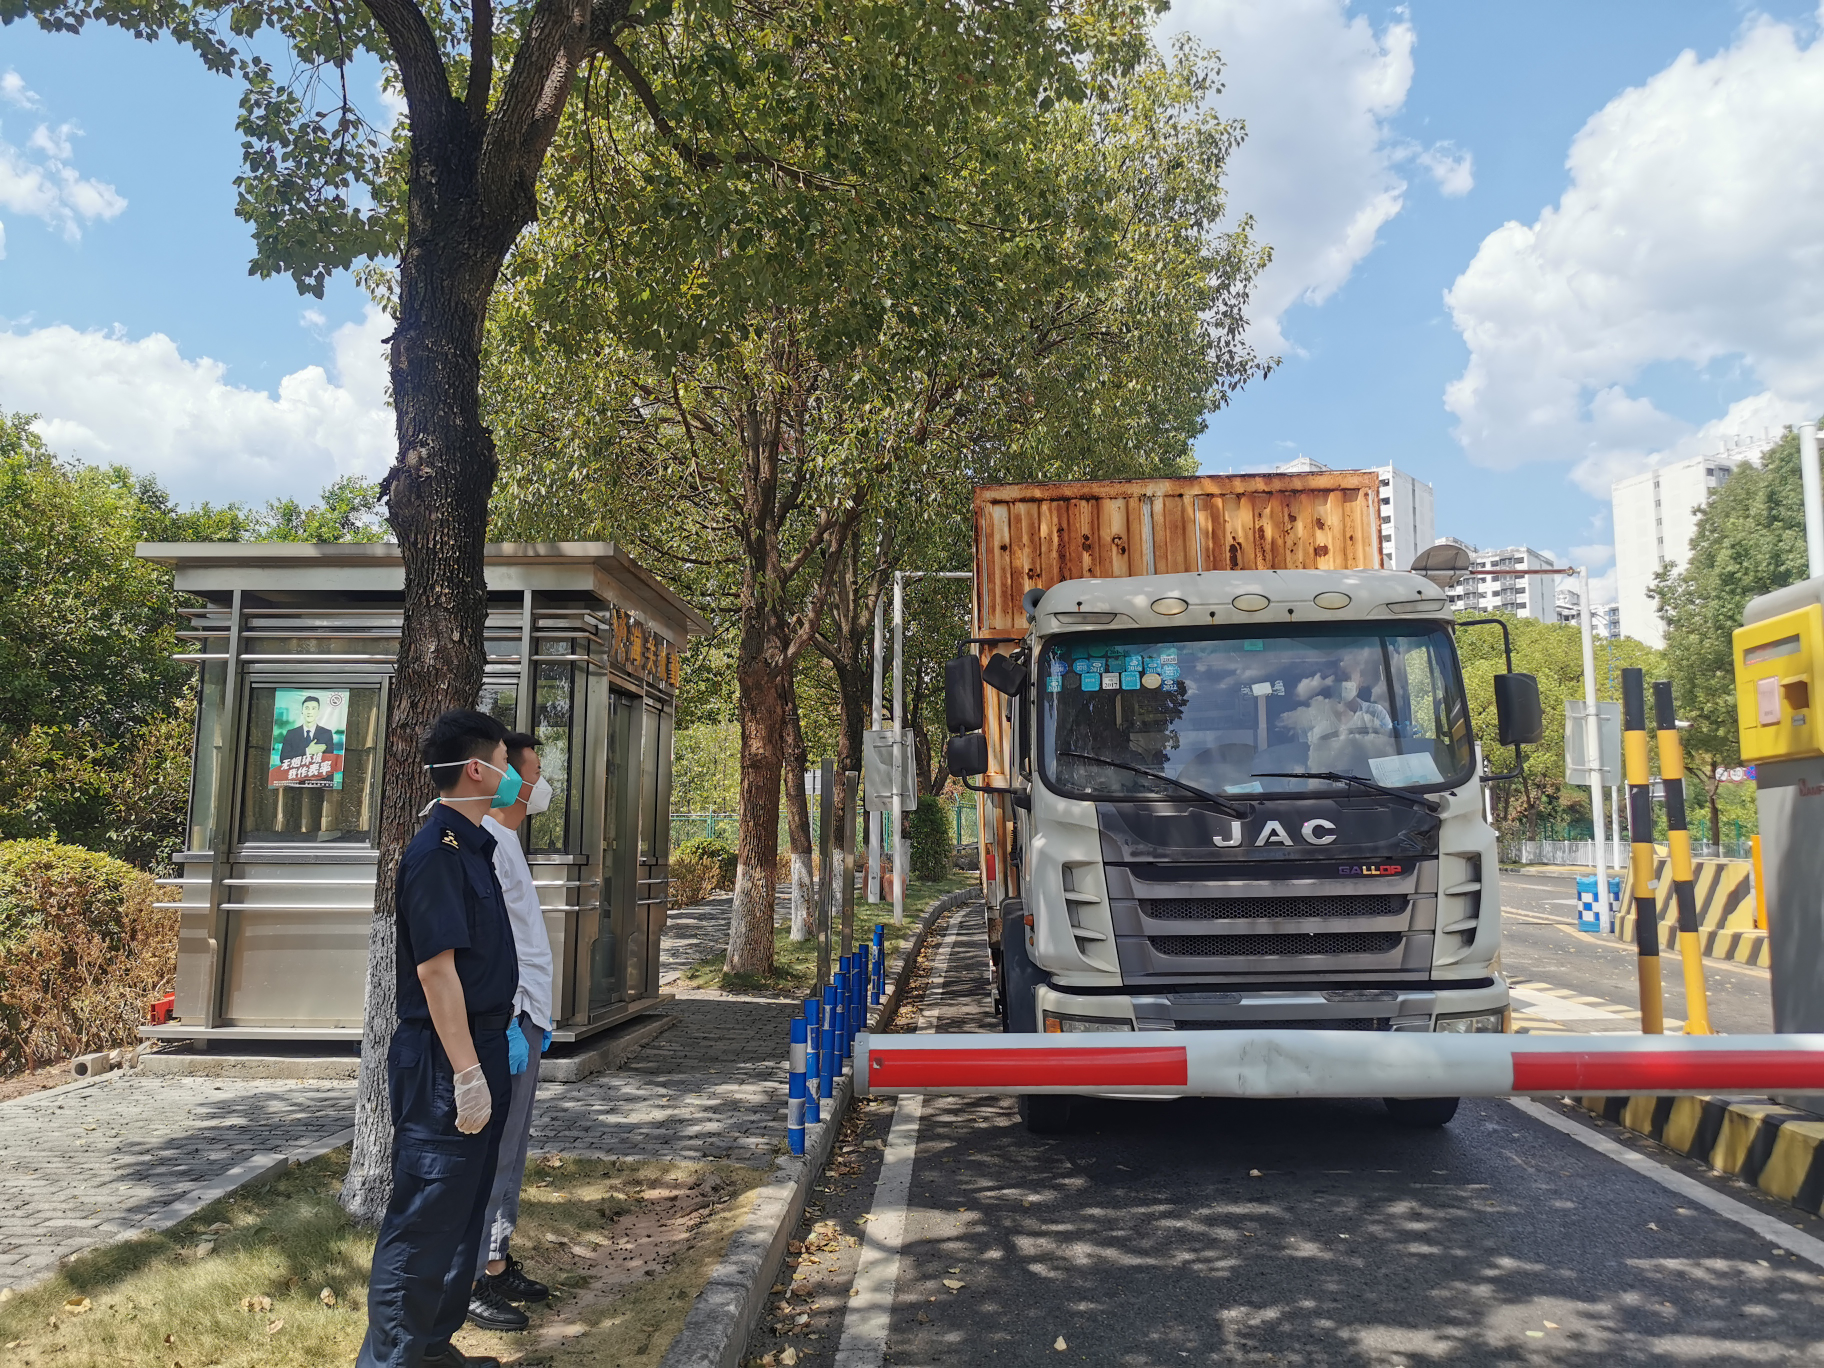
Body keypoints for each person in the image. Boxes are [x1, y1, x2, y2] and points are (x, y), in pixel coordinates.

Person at [356, 709, 521, 1368]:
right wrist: (467, 1071)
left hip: (481, 1044)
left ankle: (429, 1349)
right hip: (444, 1060)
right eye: (505, 763)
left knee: (462, 1211)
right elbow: (435, 971)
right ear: (476, 770)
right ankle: (391, 1360)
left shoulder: (474, 846)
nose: (513, 776)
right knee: (426, 1216)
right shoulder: (436, 852)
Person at [466, 733, 555, 1332]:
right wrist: (513, 1018)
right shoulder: (489, 843)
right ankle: (472, 1275)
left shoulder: (509, 841)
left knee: (513, 1149)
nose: (541, 784)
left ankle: (496, 1260)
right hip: (510, 1019)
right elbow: (497, 943)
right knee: (493, 1151)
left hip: (529, 1017)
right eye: (532, 771)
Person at [279, 694, 338, 761]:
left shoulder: (327, 733)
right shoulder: (291, 733)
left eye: (313, 708)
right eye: (307, 708)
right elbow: (283, 759)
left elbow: (330, 760)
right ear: (302, 711)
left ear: (318, 712)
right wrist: (307, 751)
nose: (309, 712)